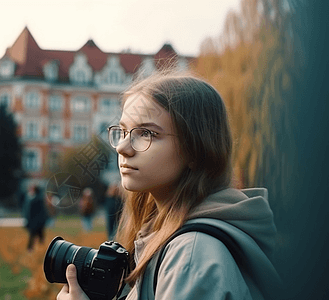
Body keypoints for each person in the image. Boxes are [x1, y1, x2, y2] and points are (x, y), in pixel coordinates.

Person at [57, 71, 281, 300]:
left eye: (146, 133)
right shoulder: (163, 233)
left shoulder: (191, 255)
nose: (122, 147)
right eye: (123, 131)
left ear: (195, 149)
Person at [24, 184, 48, 252]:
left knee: (32, 237)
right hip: (40, 222)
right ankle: (42, 250)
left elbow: (28, 212)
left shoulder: (31, 200)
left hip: (33, 223)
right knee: (41, 237)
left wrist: (28, 221)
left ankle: (30, 250)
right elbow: (44, 212)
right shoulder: (41, 199)